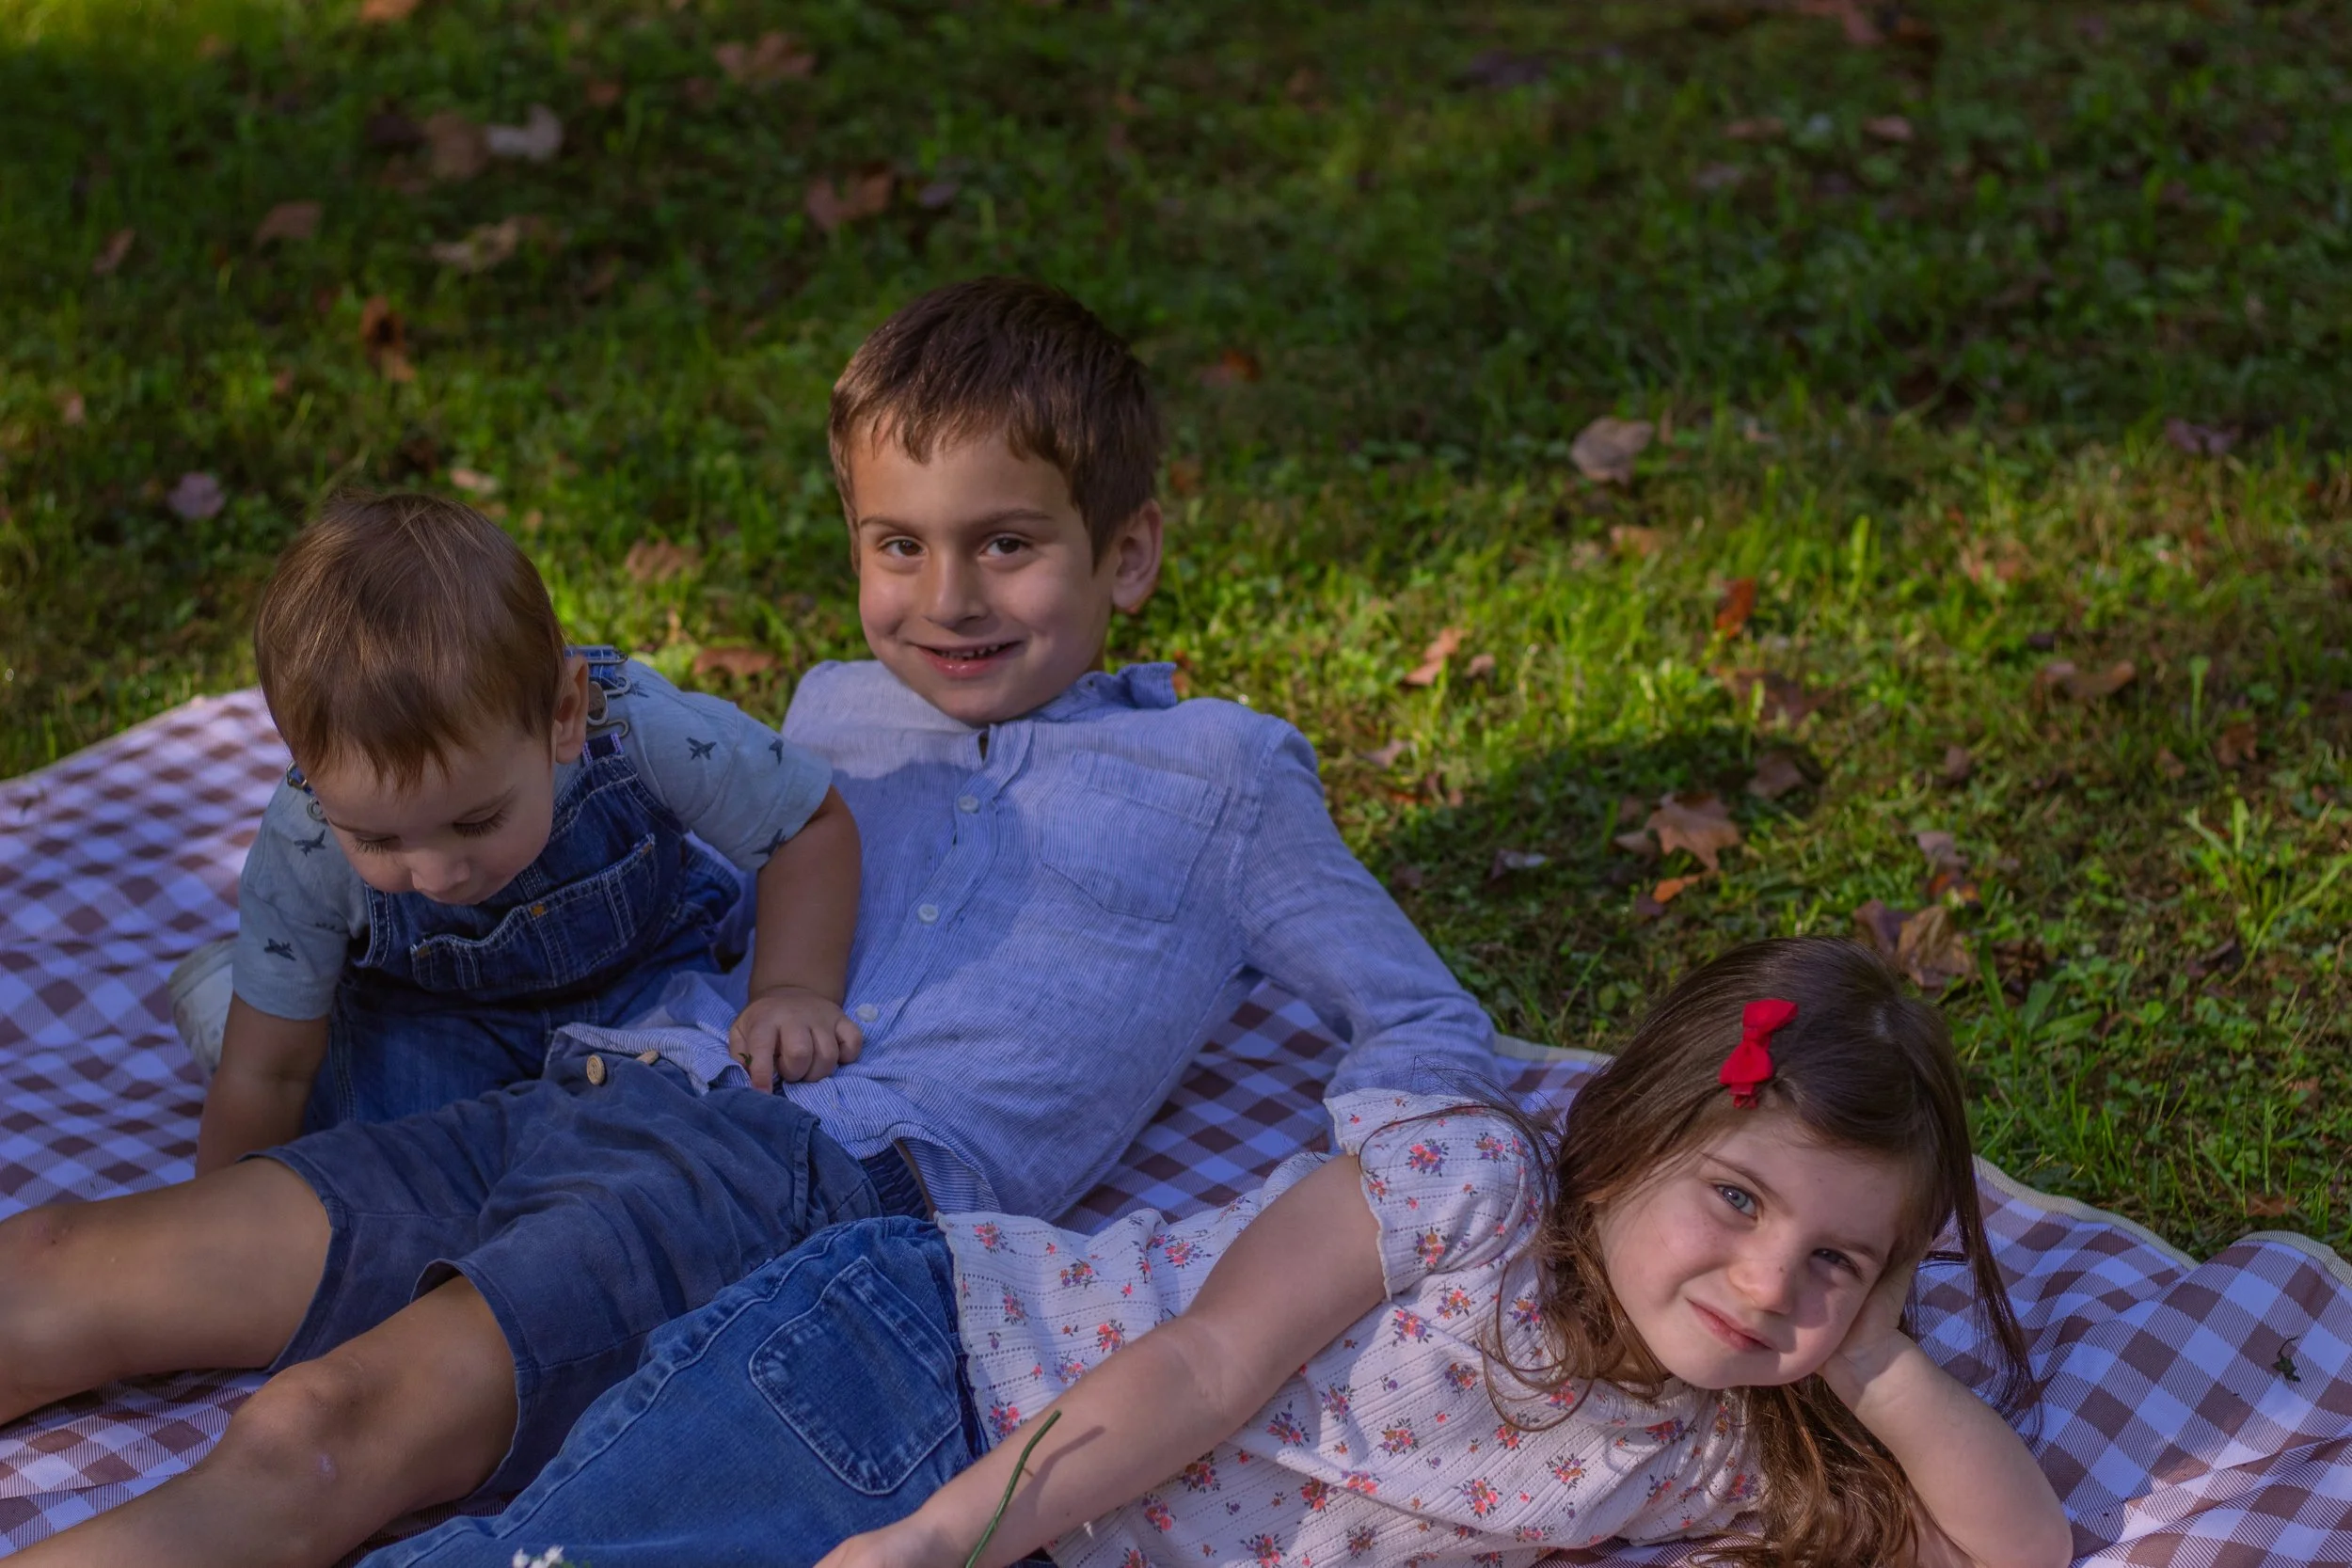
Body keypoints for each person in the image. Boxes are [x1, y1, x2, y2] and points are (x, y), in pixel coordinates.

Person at [0, 277, 1497, 1568]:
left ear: (1130, 551)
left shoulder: (1228, 776)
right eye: (897, 544)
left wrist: (1371, 1215)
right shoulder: (836, 712)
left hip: (802, 1182)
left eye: (1006, 543)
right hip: (593, 1085)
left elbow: (1423, 1019)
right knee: (68, 1257)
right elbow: (713, 896)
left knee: (317, 1425)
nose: (947, 596)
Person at [366, 937, 2072, 1568]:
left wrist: (1870, 1351)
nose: (1772, 1284)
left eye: (1844, 1260)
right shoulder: (1467, 1189)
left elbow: (2018, 1543)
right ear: (1624, 1143)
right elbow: (1203, 1363)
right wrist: (940, 1535)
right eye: (1741, 1202)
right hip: (934, 1382)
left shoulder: (1706, 1439)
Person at [177, 492, 863, 1171]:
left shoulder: (634, 730)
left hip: (644, 981)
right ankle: (245, 995)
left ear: (563, 714)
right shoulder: (305, 842)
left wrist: (791, 989)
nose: (439, 875)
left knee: (715, 1116)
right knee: (378, 1164)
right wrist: (216, 1215)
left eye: (476, 820)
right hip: (434, 1023)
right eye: (379, 841)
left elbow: (804, 821)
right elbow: (268, 1074)